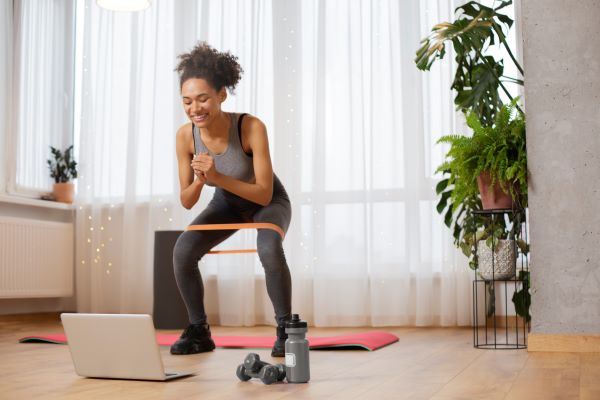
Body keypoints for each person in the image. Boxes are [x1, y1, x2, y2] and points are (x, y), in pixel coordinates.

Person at [170, 42, 292, 357]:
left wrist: (218, 178)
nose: (194, 108)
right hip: (227, 203)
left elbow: (264, 192)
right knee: (183, 251)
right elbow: (186, 201)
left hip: (268, 202)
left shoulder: (250, 127)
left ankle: (285, 329)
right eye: (186, 101)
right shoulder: (186, 136)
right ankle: (199, 331)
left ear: (222, 95)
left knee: (268, 247)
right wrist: (201, 180)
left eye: (202, 99)